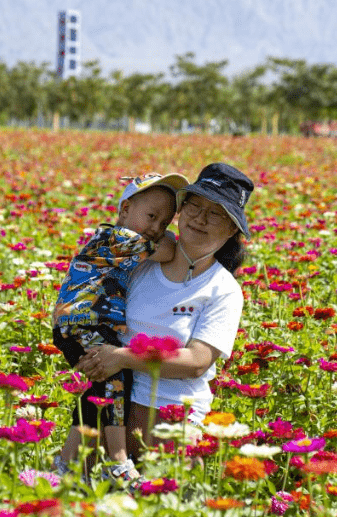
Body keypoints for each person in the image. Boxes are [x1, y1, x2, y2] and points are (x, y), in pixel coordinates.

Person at [74, 163, 253, 461]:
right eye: (195, 206)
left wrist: (120, 357)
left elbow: (196, 362)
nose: (200, 218)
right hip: (109, 413)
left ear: (233, 227)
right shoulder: (140, 262)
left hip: (174, 426)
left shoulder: (224, 290)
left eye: (215, 213)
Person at [50, 172, 189, 481]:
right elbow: (169, 252)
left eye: (164, 223)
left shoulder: (118, 239)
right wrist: (167, 237)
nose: (155, 228)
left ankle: (65, 464)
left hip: (77, 323)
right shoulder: (119, 239)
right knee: (116, 377)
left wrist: (160, 231)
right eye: (151, 216)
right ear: (125, 209)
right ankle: (118, 461)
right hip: (85, 321)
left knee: (96, 389)